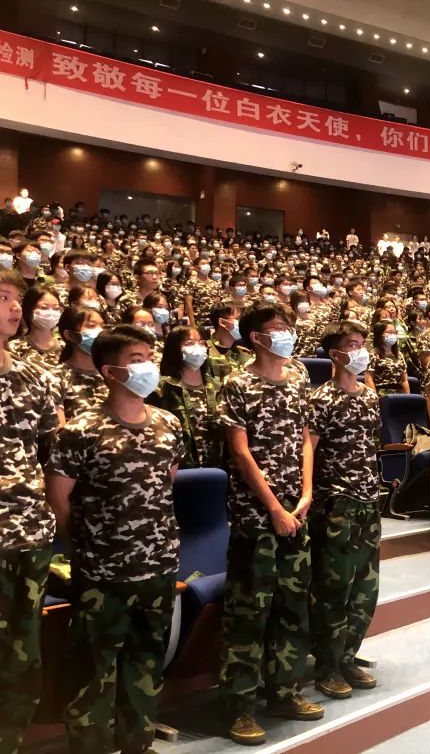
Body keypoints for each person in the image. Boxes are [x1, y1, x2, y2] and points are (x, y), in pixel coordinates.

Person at [46, 325, 183, 754]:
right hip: (103, 571)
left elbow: (167, 483)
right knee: (93, 667)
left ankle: (137, 741)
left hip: (158, 564)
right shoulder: (80, 430)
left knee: (146, 660)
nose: (148, 367)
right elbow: (59, 501)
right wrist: (85, 548)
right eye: (136, 360)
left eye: (149, 357)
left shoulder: (168, 423)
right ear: (109, 371)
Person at [217, 302, 322, 745]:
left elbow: (305, 439)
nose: (286, 334)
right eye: (277, 328)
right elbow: (240, 452)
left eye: (287, 327)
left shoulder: (297, 378)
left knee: (293, 607)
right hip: (256, 516)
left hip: (296, 511)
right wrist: (275, 508)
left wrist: (306, 493)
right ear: (256, 337)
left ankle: (284, 692)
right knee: (249, 613)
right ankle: (239, 707)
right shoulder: (236, 384)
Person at [0, 270, 62, 752]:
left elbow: (51, 451)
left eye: (17, 298)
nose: (16, 307)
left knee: (23, 649)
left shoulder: (35, 377)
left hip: (27, 533)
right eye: (3, 297)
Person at [308, 323, 381, 699]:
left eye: (362, 344)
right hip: (336, 502)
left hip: (368, 499)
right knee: (334, 588)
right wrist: (309, 496)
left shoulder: (369, 396)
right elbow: (308, 450)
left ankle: (348, 655)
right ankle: (327, 665)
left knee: (366, 588)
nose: (360, 351)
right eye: (352, 345)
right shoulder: (321, 399)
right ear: (335, 354)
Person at [147, 327, 225, 469]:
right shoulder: (162, 388)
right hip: (180, 468)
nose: (197, 347)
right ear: (175, 349)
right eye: (189, 343)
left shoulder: (218, 386)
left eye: (201, 343)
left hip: (217, 466)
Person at [56, 305, 108, 421]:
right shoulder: (56, 378)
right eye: (91, 326)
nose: (100, 331)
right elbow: (58, 427)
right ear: (70, 335)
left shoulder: (111, 372)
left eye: (102, 326)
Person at [9, 284, 63, 369]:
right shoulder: (16, 348)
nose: (51, 313)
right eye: (44, 308)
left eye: (56, 308)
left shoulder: (67, 346)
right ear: (29, 310)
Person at [369, 319, 409, 395]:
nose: (393, 335)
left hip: (400, 394)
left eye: (394, 332)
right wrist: (374, 398)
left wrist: (408, 397)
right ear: (380, 334)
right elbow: (369, 379)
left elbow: (404, 380)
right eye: (390, 332)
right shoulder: (373, 354)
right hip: (381, 393)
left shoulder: (399, 355)